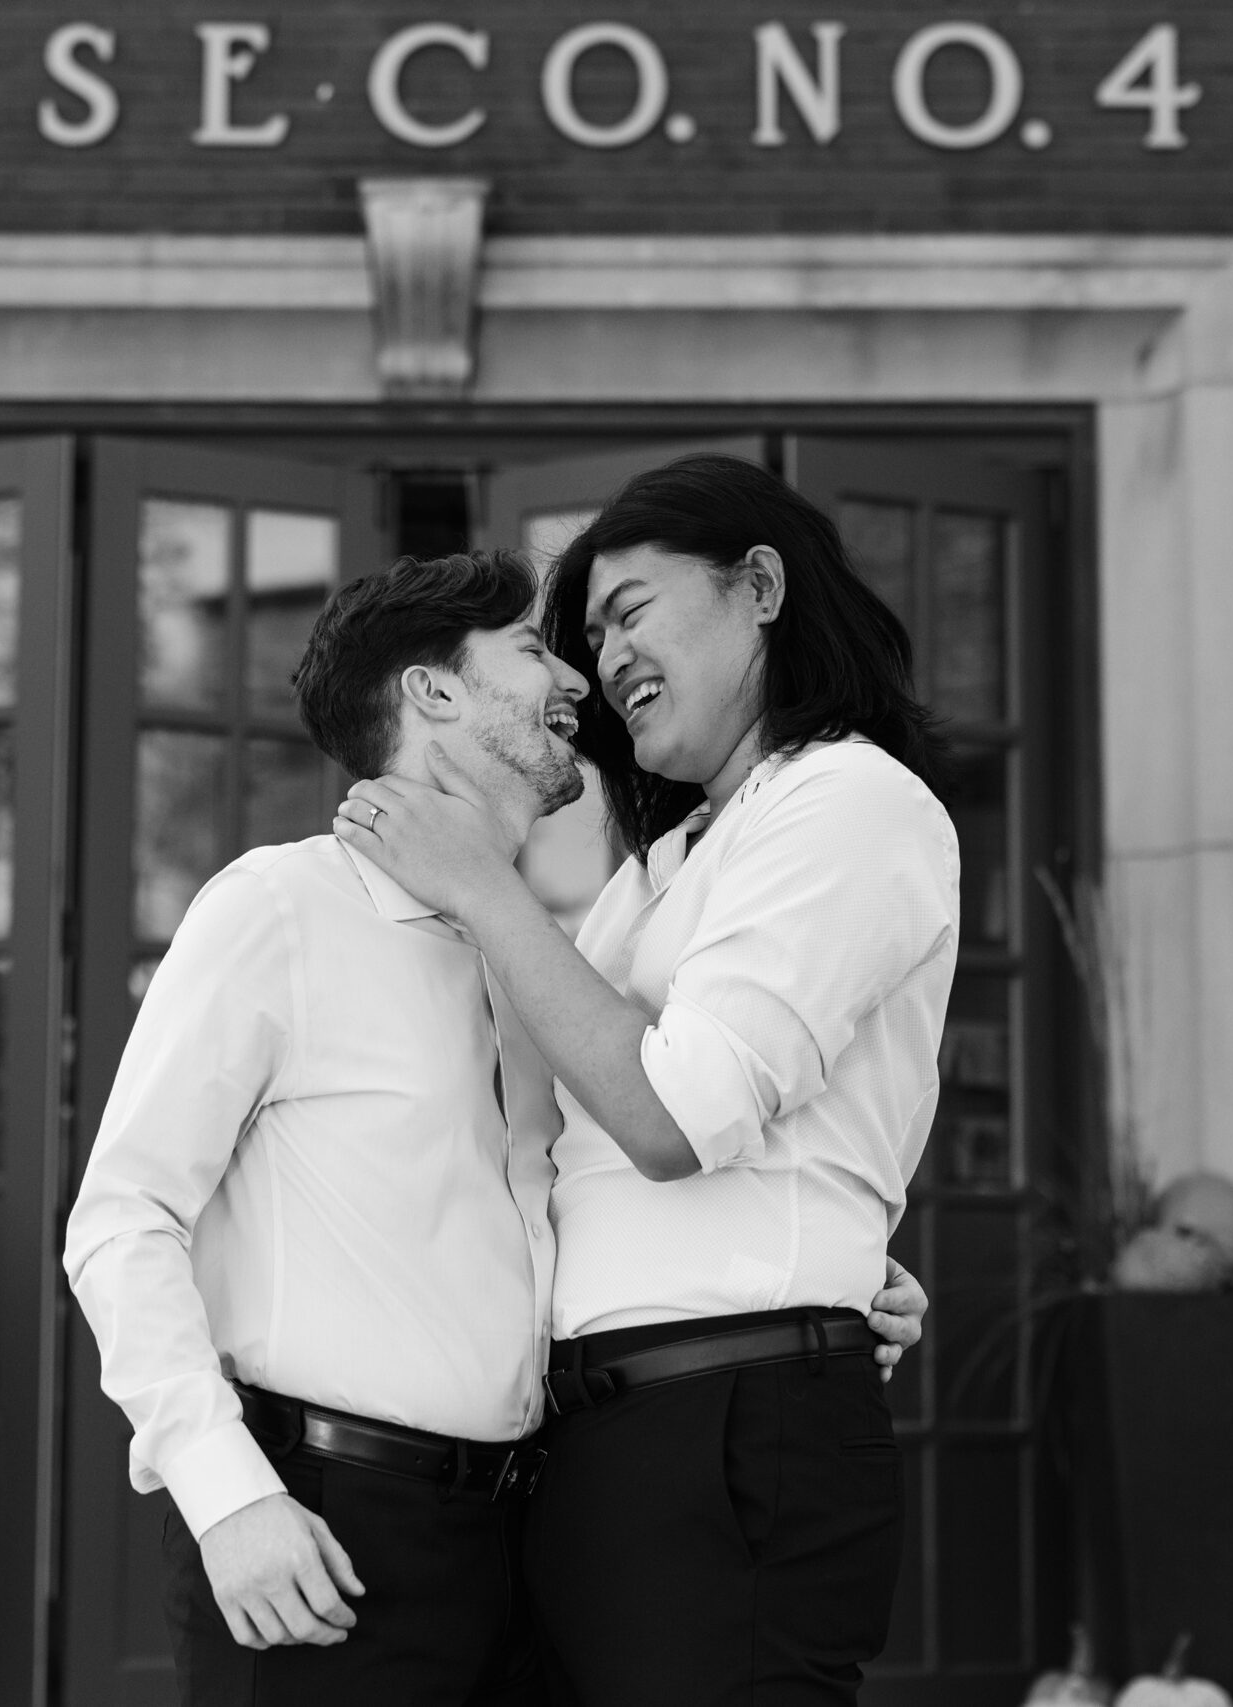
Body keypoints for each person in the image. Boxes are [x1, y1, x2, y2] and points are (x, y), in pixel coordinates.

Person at [66, 549, 928, 1707]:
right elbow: (121, 1222)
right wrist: (227, 1495)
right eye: (531, 650)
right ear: (432, 694)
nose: (576, 679)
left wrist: (819, 1280)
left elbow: (587, 1196)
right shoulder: (276, 909)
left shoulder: (537, 971)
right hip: (327, 1531)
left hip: (529, 1537)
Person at [337, 456, 960, 1707]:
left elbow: (675, 1115)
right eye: (585, 639)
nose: (605, 662)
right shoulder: (667, 859)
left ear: (761, 587)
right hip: (610, 1437)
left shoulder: (848, 801)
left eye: (629, 611)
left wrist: (481, 886)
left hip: (724, 1432)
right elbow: (579, 1145)